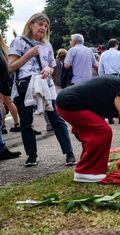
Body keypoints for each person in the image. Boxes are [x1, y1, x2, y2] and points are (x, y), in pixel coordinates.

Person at [56, 74, 120, 182]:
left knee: (98, 131)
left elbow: (98, 99)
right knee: (103, 132)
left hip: (67, 100)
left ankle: (95, 164)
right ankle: (86, 172)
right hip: (70, 103)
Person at [8, 12, 76, 167]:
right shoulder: (18, 42)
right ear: (31, 24)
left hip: (45, 85)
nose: (43, 28)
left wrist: (49, 70)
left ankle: (69, 153)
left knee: (56, 119)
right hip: (25, 86)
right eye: (40, 24)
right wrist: (28, 54)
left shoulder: (48, 45)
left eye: (46, 26)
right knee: (26, 122)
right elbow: (10, 67)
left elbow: (52, 66)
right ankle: (32, 155)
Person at [0, 33, 21, 161]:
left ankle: (4, 127)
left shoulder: (3, 49)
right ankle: (15, 123)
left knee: (4, 104)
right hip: (4, 83)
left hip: (3, 83)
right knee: (6, 104)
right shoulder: (4, 49)